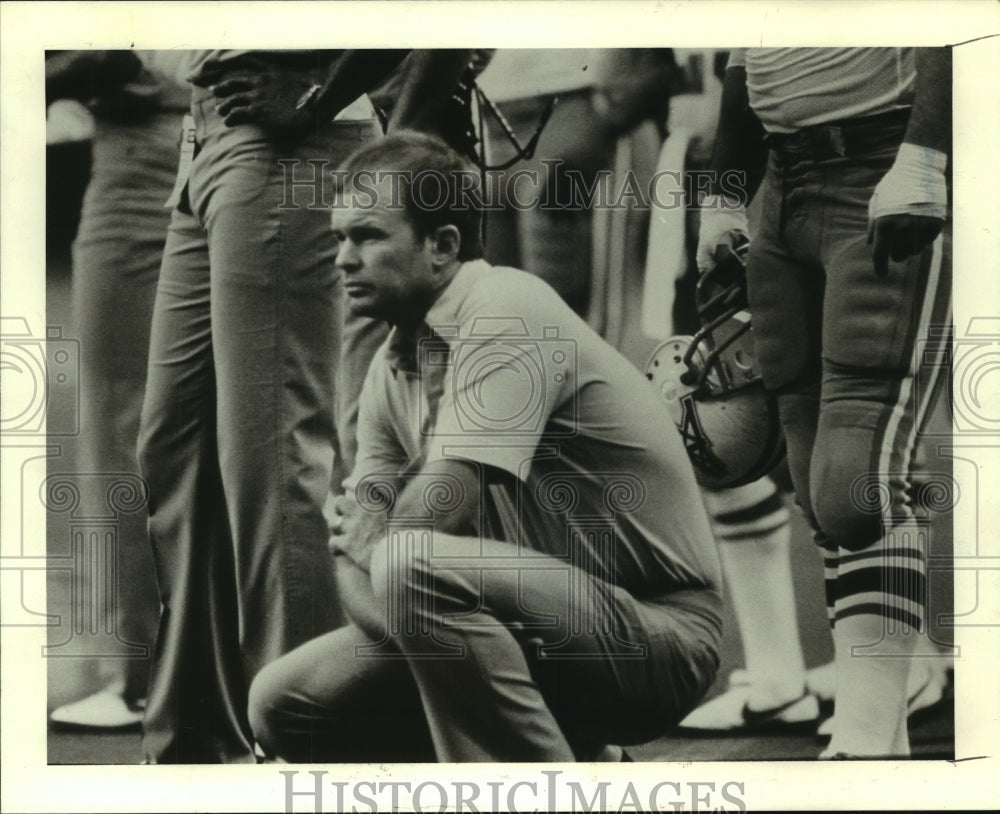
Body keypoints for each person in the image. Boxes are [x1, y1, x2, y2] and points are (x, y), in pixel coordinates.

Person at [247, 131, 724, 762]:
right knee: (284, 702)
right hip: (527, 625)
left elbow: (415, 526)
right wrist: (412, 600)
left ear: (443, 246)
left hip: (654, 638)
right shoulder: (391, 370)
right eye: (338, 239)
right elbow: (353, 560)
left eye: (366, 235)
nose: (342, 259)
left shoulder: (507, 311)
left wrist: (383, 553)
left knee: (408, 564)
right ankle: (580, 757)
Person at [136, 50, 470, 764]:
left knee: (272, 459)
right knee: (175, 454)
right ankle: (194, 747)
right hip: (209, 140)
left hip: (290, 135)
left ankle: (310, 743)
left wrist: (324, 87)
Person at [697, 47, 952, 758]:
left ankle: (870, 739)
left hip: (881, 158)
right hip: (782, 182)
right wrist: (723, 193)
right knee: (816, 478)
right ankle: (882, 731)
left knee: (856, 478)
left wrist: (926, 154)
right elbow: (744, 56)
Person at [45, 50, 193, 729]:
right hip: (231, 135)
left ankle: (138, 674)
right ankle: (186, 666)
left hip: (150, 141)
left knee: (121, 420)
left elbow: (109, 50)